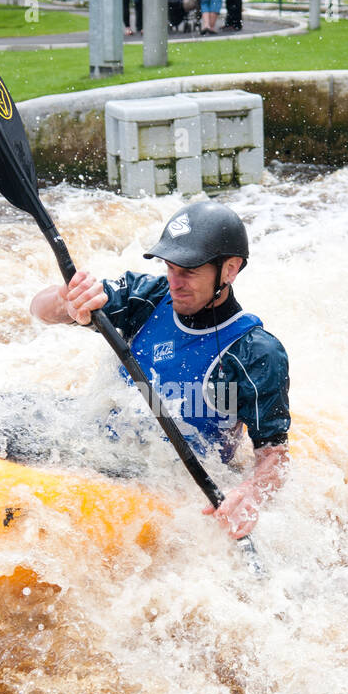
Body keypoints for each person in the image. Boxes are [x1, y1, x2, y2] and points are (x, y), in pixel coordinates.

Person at [29, 201, 290, 539]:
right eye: (170, 268)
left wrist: (254, 492)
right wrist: (67, 300)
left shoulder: (255, 353)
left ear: (230, 269)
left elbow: (274, 456)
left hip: (171, 488)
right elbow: (39, 309)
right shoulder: (146, 297)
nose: (174, 282)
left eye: (189, 271)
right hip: (94, 453)